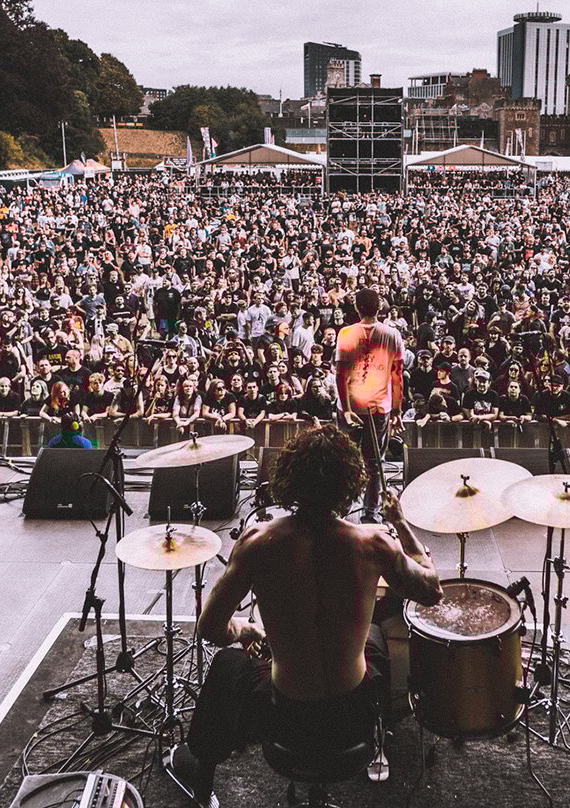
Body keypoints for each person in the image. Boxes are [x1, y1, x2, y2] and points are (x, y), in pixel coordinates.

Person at [172, 426, 442, 806]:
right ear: (350, 483)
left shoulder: (256, 543)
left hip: (286, 713)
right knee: (377, 639)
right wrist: (401, 524)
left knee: (228, 665)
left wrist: (246, 628)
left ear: (287, 480)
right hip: (352, 714)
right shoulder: (375, 544)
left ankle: (202, 774)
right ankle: (380, 737)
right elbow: (432, 591)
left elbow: (210, 628)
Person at [334, 288, 403, 520]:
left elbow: (340, 375)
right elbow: (397, 375)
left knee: (346, 460)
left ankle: (341, 510)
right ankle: (370, 513)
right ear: (380, 307)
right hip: (378, 408)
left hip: (352, 405)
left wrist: (346, 409)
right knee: (374, 463)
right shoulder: (392, 334)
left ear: (356, 307)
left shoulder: (345, 333)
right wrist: (397, 410)